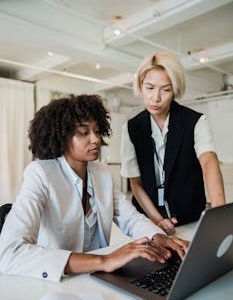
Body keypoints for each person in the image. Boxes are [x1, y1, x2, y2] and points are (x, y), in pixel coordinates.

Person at [0, 94, 188, 282]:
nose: (95, 139)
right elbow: (9, 253)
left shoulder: (103, 173)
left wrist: (156, 236)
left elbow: (129, 218)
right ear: (61, 136)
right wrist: (104, 260)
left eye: (97, 131)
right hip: (58, 282)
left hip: (98, 279)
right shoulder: (40, 173)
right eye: (84, 133)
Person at [121, 51, 225, 235]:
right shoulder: (130, 128)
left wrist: (220, 218)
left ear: (175, 90)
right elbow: (135, 184)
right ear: (140, 85)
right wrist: (158, 220)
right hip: (148, 221)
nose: (156, 97)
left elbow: (209, 161)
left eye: (166, 89)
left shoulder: (195, 121)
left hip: (189, 218)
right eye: (150, 88)